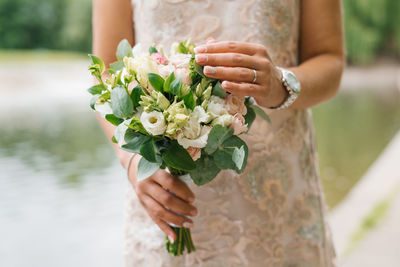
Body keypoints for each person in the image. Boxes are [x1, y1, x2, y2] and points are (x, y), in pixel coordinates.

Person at [92, 0, 344, 266]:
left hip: (278, 200)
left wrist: (281, 84)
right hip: (166, 199)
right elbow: (107, 70)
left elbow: (329, 59)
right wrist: (131, 160)